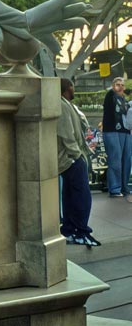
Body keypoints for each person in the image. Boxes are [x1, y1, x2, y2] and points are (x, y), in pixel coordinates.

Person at [58, 78, 100, 247]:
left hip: (70, 158)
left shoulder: (65, 103)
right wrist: (77, 156)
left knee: (71, 195)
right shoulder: (62, 105)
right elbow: (67, 134)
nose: (74, 90)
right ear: (68, 88)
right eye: (73, 87)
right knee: (82, 197)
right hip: (71, 159)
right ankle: (80, 231)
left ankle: (70, 230)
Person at [101, 75, 131, 198]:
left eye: (122, 85)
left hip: (125, 132)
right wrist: (114, 89)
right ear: (113, 86)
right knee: (115, 159)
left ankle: (124, 187)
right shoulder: (110, 96)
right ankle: (114, 188)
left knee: (126, 160)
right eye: (117, 84)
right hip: (112, 131)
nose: (120, 87)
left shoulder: (124, 100)